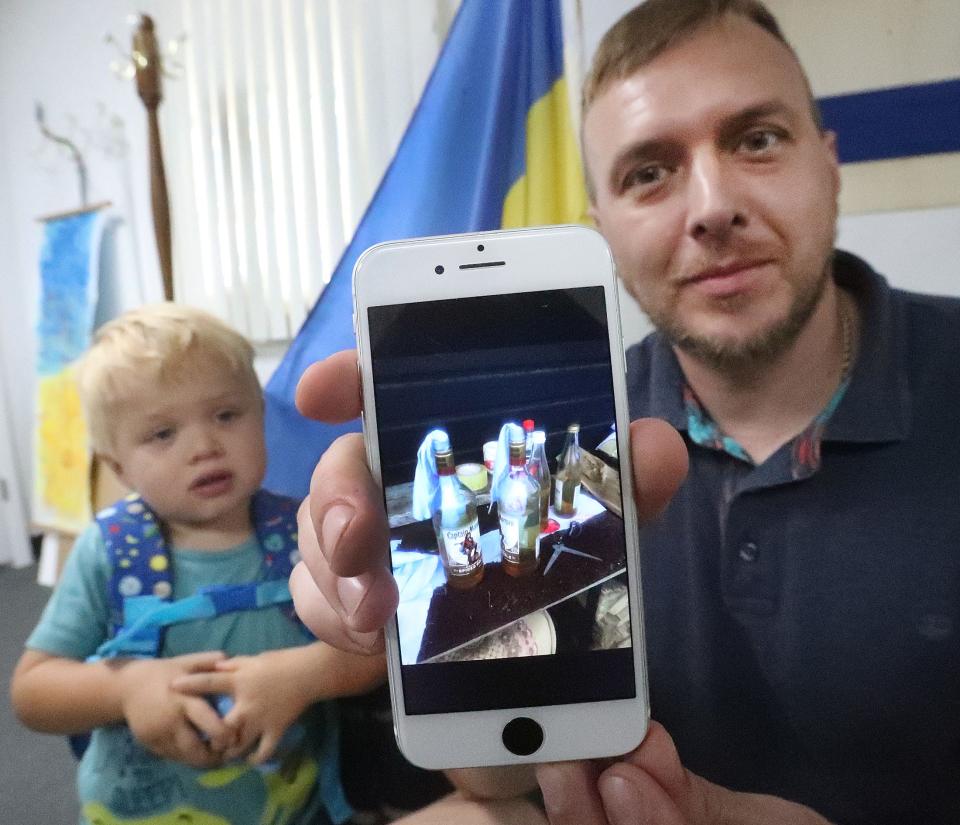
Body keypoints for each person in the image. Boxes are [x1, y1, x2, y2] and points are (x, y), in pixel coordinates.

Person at [289, 1, 960, 823]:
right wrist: (456, 641)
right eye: (649, 172)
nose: (711, 207)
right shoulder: (569, 441)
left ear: (828, 162)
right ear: (600, 225)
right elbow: (504, 784)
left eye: (756, 139)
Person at [11, 304, 386, 825]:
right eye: (163, 434)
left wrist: (307, 673)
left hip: (293, 806)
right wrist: (125, 687)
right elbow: (33, 692)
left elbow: (378, 646)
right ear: (118, 466)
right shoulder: (112, 550)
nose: (205, 446)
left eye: (226, 415)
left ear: (261, 414)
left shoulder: (306, 531)